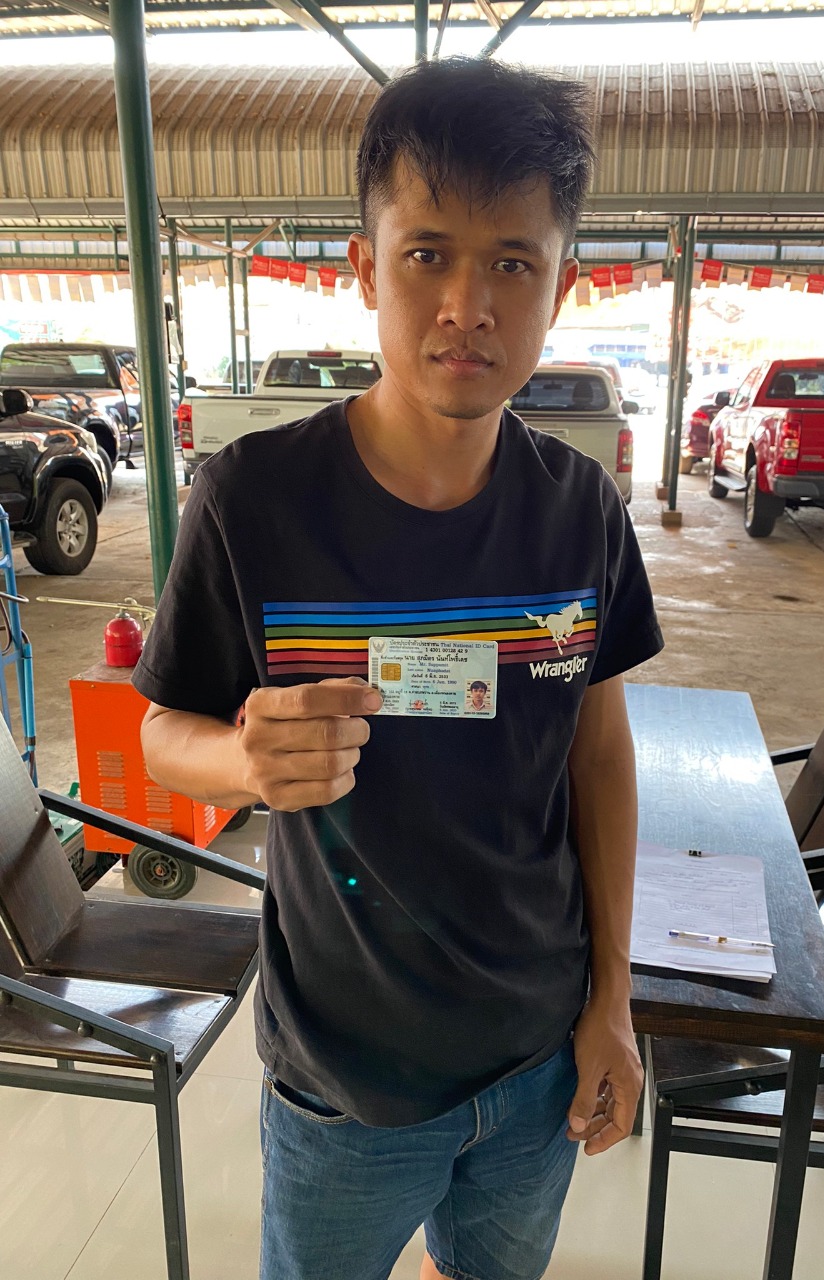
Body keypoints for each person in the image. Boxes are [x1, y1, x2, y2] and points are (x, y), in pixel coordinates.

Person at [134, 55, 663, 1280]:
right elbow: (164, 731)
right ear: (366, 266)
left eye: (513, 262)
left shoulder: (579, 509)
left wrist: (613, 1001)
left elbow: (598, 752)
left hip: (537, 1056)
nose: (467, 305)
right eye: (428, 253)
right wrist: (245, 760)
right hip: (344, 1080)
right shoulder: (254, 500)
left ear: (561, 283)